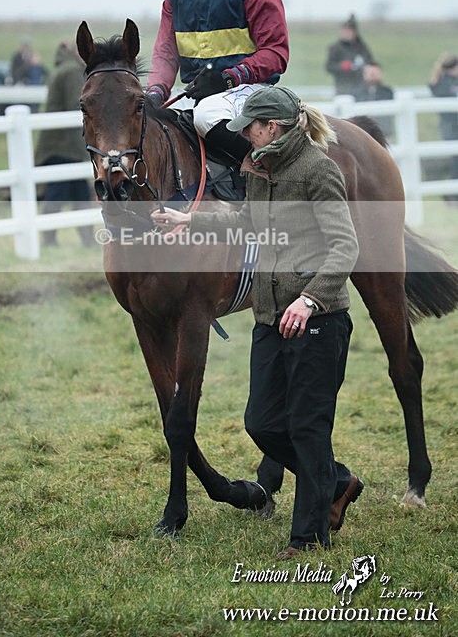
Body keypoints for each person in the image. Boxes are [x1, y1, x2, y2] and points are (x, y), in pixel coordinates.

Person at [152, 86, 362, 558]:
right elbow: (247, 222)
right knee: (262, 424)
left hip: (316, 320)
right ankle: (337, 482)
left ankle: (307, 539)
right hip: (270, 318)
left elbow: (345, 246)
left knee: (307, 428)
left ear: (273, 127)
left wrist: (309, 300)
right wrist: (190, 221)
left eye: (250, 127)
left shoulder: (318, 170)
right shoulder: (260, 169)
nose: (244, 134)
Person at [145, 0, 289, 163]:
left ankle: (262, 169)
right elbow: (166, 56)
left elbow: (276, 54)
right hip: (198, 93)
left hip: (249, 90)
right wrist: (154, 94)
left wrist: (228, 78)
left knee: (206, 115)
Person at [34, 41, 93, 247]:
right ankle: (50, 239)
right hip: (64, 146)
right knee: (60, 194)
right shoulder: (72, 71)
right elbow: (76, 106)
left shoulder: (65, 68)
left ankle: (84, 239)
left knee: (78, 193)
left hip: (62, 144)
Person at [429, 53, 458, 203]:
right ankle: (451, 193)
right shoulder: (444, 83)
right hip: (451, 127)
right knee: (455, 160)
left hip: (451, 126)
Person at [325, 14, 375, 95]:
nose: (346, 33)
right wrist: (342, 66)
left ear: (354, 32)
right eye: (344, 31)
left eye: (349, 31)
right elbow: (329, 66)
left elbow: (370, 63)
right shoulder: (335, 48)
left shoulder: (362, 47)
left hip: (361, 88)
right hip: (343, 88)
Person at [353, 62, 395, 139]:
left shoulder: (387, 91)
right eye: (370, 74)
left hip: (384, 131)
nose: (372, 76)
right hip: (364, 132)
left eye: (375, 73)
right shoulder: (358, 93)